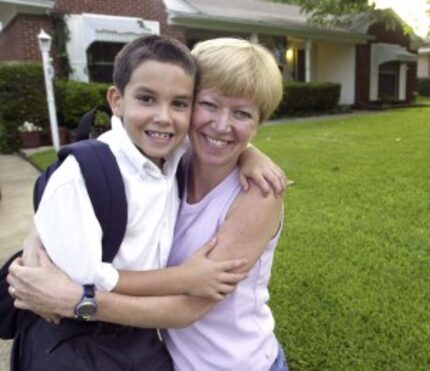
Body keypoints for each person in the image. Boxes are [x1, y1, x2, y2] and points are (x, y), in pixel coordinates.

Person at [7, 35, 285, 371]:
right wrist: (37, 240)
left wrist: (75, 301)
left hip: (235, 363)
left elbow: (188, 309)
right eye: (209, 105)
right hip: (166, 358)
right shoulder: (170, 162)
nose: (222, 125)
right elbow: (72, 196)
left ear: (259, 122)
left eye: (242, 113)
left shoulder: (256, 195)